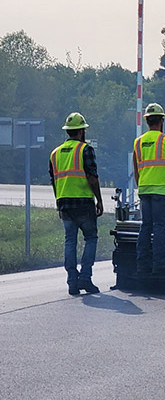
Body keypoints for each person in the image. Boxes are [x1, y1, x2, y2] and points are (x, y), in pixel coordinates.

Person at [49, 112, 104, 295]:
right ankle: (85, 278)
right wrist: (99, 200)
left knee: (70, 241)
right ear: (81, 131)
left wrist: (59, 202)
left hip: (65, 203)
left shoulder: (55, 153)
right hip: (83, 202)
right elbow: (92, 178)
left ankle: (72, 281)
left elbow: (54, 181)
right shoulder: (85, 150)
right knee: (91, 238)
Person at [133, 103, 165, 274]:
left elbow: (136, 169)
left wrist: (141, 186)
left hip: (144, 190)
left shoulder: (138, 142)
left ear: (147, 121)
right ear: (162, 121)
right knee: (159, 228)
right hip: (161, 191)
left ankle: (142, 264)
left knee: (145, 227)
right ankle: (159, 265)